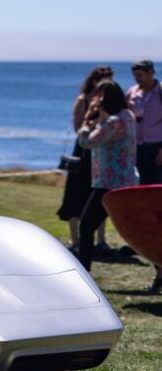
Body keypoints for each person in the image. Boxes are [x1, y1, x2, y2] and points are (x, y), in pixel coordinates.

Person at [77, 80, 138, 273]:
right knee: (138, 229)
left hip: (108, 183)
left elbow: (87, 141)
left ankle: (84, 272)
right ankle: (159, 270)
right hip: (126, 180)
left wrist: (86, 122)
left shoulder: (114, 122)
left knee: (86, 226)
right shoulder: (127, 116)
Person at [57, 66, 114, 255]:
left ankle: (101, 240)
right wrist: (95, 123)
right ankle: (75, 239)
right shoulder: (83, 100)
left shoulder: (108, 102)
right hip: (83, 150)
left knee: (97, 195)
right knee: (75, 194)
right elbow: (77, 127)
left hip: (100, 150)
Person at [126, 59, 162, 184]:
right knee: (140, 185)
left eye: (140, 75)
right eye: (135, 76)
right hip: (137, 147)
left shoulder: (160, 91)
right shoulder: (132, 92)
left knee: (157, 186)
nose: (137, 79)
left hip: (157, 147)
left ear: (151, 73)